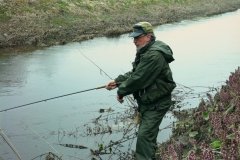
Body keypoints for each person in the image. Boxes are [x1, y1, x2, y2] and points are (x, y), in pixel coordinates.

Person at [106, 21, 176, 160]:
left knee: (144, 138)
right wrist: (118, 81)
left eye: (138, 37)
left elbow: (139, 79)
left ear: (149, 36)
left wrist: (121, 91)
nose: (134, 41)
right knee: (147, 138)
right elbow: (136, 72)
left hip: (156, 104)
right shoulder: (146, 51)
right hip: (149, 102)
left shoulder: (154, 55)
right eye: (133, 38)